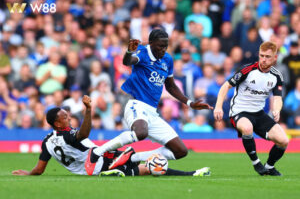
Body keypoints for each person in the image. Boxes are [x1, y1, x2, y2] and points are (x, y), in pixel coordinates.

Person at [84, 29, 213, 174]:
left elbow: (170, 86)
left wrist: (190, 103)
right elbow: (128, 62)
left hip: (152, 113)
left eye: (166, 46)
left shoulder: (167, 60)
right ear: (151, 43)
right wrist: (128, 52)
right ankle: (97, 152)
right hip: (136, 105)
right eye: (160, 46)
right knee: (140, 133)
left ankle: (131, 158)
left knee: (180, 151)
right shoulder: (142, 52)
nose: (163, 50)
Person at [11, 96, 210, 177]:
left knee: (138, 157)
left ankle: (190, 171)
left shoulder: (47, 141)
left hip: (91, 166)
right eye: (65, 116)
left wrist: (29, 174)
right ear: (57, 123)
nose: (69, 117)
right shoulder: (68, 135)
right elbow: (84, 134)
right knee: (152, 166)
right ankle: (191, 175)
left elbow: (39, 168)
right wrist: (88, 110)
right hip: (98, 163)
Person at [213, 41, 289, 176]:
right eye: (261, 56)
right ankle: (256, 163)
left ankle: (269, 167)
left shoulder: (277, 76)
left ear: (275, 58)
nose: (264, 60)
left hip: (259, 113)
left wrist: (276, 110)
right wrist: (218, 106)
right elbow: (226, 86)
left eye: (267, 57)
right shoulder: (247, 70)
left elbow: (277, 98)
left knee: (283, 141)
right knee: (247, 128)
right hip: (239, 111)